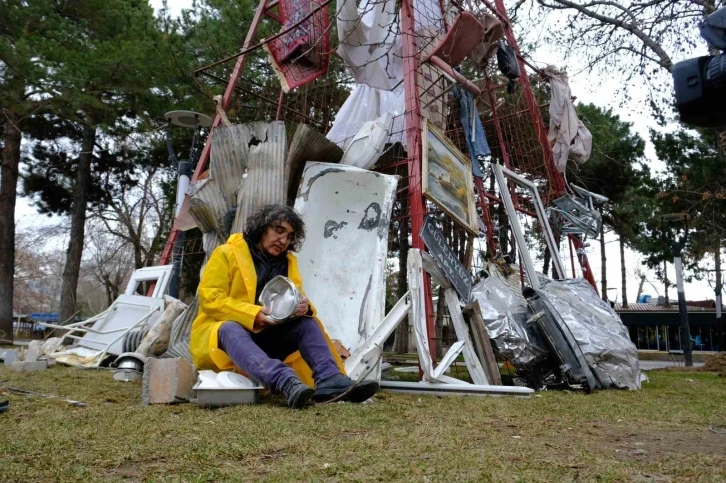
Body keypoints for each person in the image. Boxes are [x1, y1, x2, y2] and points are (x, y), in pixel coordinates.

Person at [190, 204, 378, 408]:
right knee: (229, 327)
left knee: (307, 323)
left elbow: (296, 296)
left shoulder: (288, 262)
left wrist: (303, 307)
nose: (283, 240)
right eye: (279, 231)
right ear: (261, 228)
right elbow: (210, 297)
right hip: (226, 342)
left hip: (266, 340)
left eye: (289, 236)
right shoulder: (226, 253)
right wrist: (253, 314)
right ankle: (284, 381)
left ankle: (330, 380)